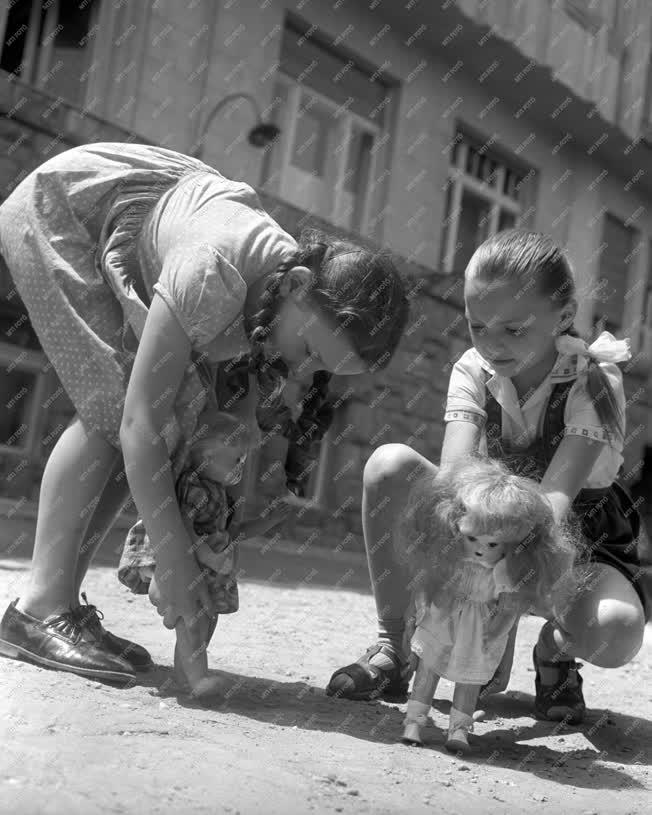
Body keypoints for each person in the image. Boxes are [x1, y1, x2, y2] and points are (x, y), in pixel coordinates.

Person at [0, 141, 409, 682]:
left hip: (137, 217)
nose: (302, 373)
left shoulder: (278, 303)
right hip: (64, 211)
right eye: (309, 352)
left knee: (155, 432)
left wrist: (205, 549)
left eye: (322, 371)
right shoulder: (212, 273)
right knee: (115, 410)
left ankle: (63, 608)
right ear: (299, 285)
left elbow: (205, 441)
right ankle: (37, 609)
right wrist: (171, 558)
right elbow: (136, 422)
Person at [328, 229, 648, 725]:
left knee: (617, 630)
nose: (492, 344)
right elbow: (454, 489)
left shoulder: (595, 380)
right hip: (483, 525)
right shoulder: (474, 369)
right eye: (479, 326)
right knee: (390, 465)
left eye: (514, 330)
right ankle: (395, 646)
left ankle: (556, 652)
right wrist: (455, 606)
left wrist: (495, 624)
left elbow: (551, 511)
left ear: (563, 315)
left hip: (573, 537)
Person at [398, 457, 583, 752]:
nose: (481, 549)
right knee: (428, 667)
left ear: (512, 544)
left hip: (477, 627)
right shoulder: (448, 559)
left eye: (494, 544)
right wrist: (419, 608)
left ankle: (459, 728)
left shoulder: (505, 572)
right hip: (442, 615)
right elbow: (428, 585)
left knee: (469, 678)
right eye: (471, 538)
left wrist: (495, 631)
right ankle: (414, 720)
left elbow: (510, 605)